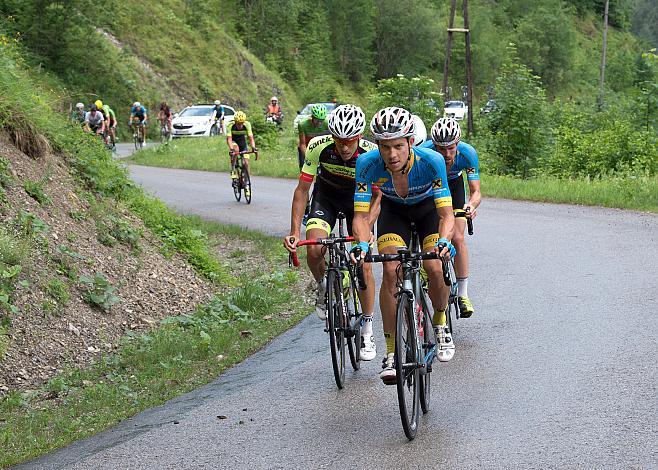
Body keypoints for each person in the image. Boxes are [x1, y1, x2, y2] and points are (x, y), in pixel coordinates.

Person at [350, 106, 456, 384]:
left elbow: (446, 214)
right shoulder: (367, 164)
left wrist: (444, 240)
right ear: (377, 146)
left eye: (398, 146)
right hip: (394, 214)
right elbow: (361, 216)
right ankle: (391, 352)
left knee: (434, 266)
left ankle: (441, 322)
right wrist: (361, 244)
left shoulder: (431, 161)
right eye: (385, 147)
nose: (392, 154)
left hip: (427, 213)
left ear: (410, 142)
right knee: (390, 271)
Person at [283, 105, 382, 361]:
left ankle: (368, 329)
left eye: (349, 141)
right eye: (339, 140)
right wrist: (294, 231)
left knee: (363, 264)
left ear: (359, 136)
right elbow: (302, 191)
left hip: (357, 204)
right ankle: (323, 285)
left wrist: (368, 227)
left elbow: (378, 195)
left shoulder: (371, 153)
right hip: (325, 199)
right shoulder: (318, 146)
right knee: (314, 248)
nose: (344, 147)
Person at [420, 117, 481, 317]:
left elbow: (475, 191)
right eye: (441, 148)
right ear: (434, 145)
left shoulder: (467, 153)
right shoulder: (425, 151)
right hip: (431, 189)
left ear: (458, 143)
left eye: (451, 148)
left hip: (454, 188)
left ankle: (463, 293)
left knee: (457, 237)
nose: (446, 154)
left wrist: (471, 205)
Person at [226, 111, 257, 197]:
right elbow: (229, 139)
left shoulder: (247, 124)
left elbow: (251, 138)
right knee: (236, 149)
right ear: (235, 122)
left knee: (246, 163)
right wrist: (231, 149)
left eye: (241, 123)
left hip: (242, 143)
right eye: (238, 123)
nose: (240, 125)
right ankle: (233, 169)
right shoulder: (230, 125)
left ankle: (246, 184)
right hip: (233, 141)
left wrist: (253, 147)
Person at [297, 104, 330, 170]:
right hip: (306, 146)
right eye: (317, 120)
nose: (319, 123)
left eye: (321, 120)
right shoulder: (302, 124)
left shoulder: (327, 123)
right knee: (304, 168)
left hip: (319, 146)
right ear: (312, 117)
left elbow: (330, 140)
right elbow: (302, 144)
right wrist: (308, 158)